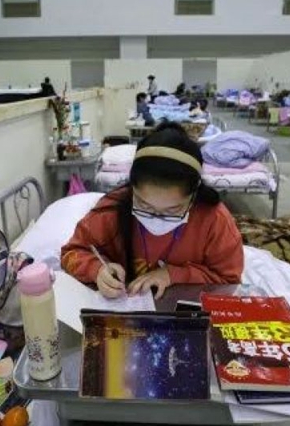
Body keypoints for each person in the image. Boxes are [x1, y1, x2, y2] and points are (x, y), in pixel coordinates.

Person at [61, 123, 244, 299]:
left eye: (173, 210)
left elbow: (229, 280)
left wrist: (173, 275)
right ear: (132, 188)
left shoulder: (214, 219)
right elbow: (71, 253)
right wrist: (96, 270)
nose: (157, 218)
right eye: (144, 206)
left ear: (194, 194)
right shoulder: (112, 210)